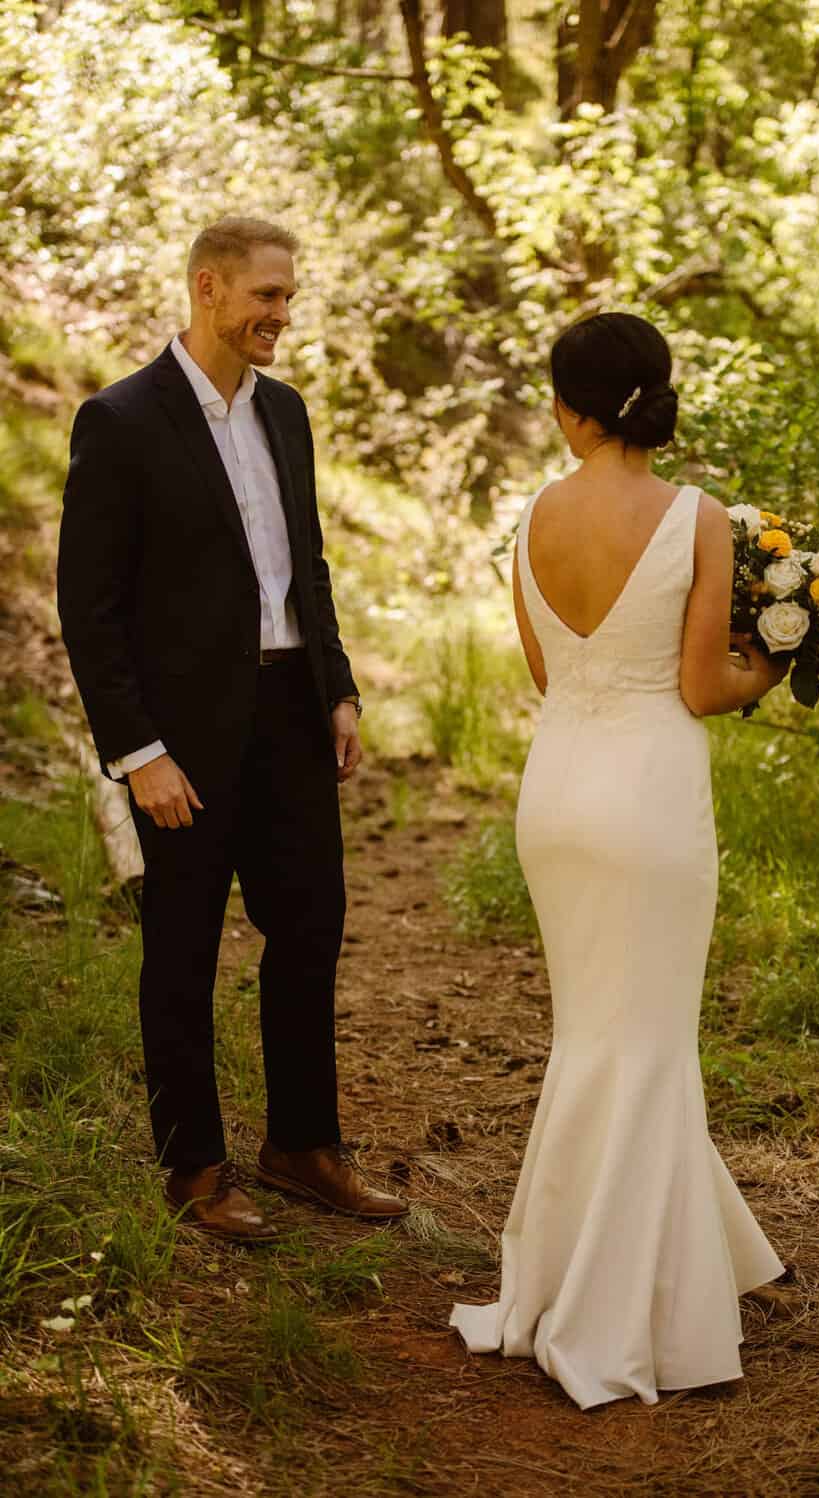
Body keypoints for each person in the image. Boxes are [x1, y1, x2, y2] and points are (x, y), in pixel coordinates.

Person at [450, 312, 786, 1407]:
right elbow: (698, 687)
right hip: (649, 798)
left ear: (573, 407)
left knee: (593, 1034)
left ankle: (569, 1275)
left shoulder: (533, 518)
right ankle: (628, 1305)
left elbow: (552, 674)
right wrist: (769, 668)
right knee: (646, 1041)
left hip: (559, 796)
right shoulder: (698, 516)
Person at [57, 217, 406, 1241]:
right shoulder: (120, 421)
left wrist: (336, 687)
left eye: (289, 298)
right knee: (183, 950)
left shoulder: (286, 414)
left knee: (308, 928)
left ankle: (301, 1145)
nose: (281, 317)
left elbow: (309, 564)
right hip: (182, 744)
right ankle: (194, 1168)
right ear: (208, 289)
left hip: (292, 715)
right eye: (266, 296)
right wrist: (139, 752)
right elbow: (90, 606)